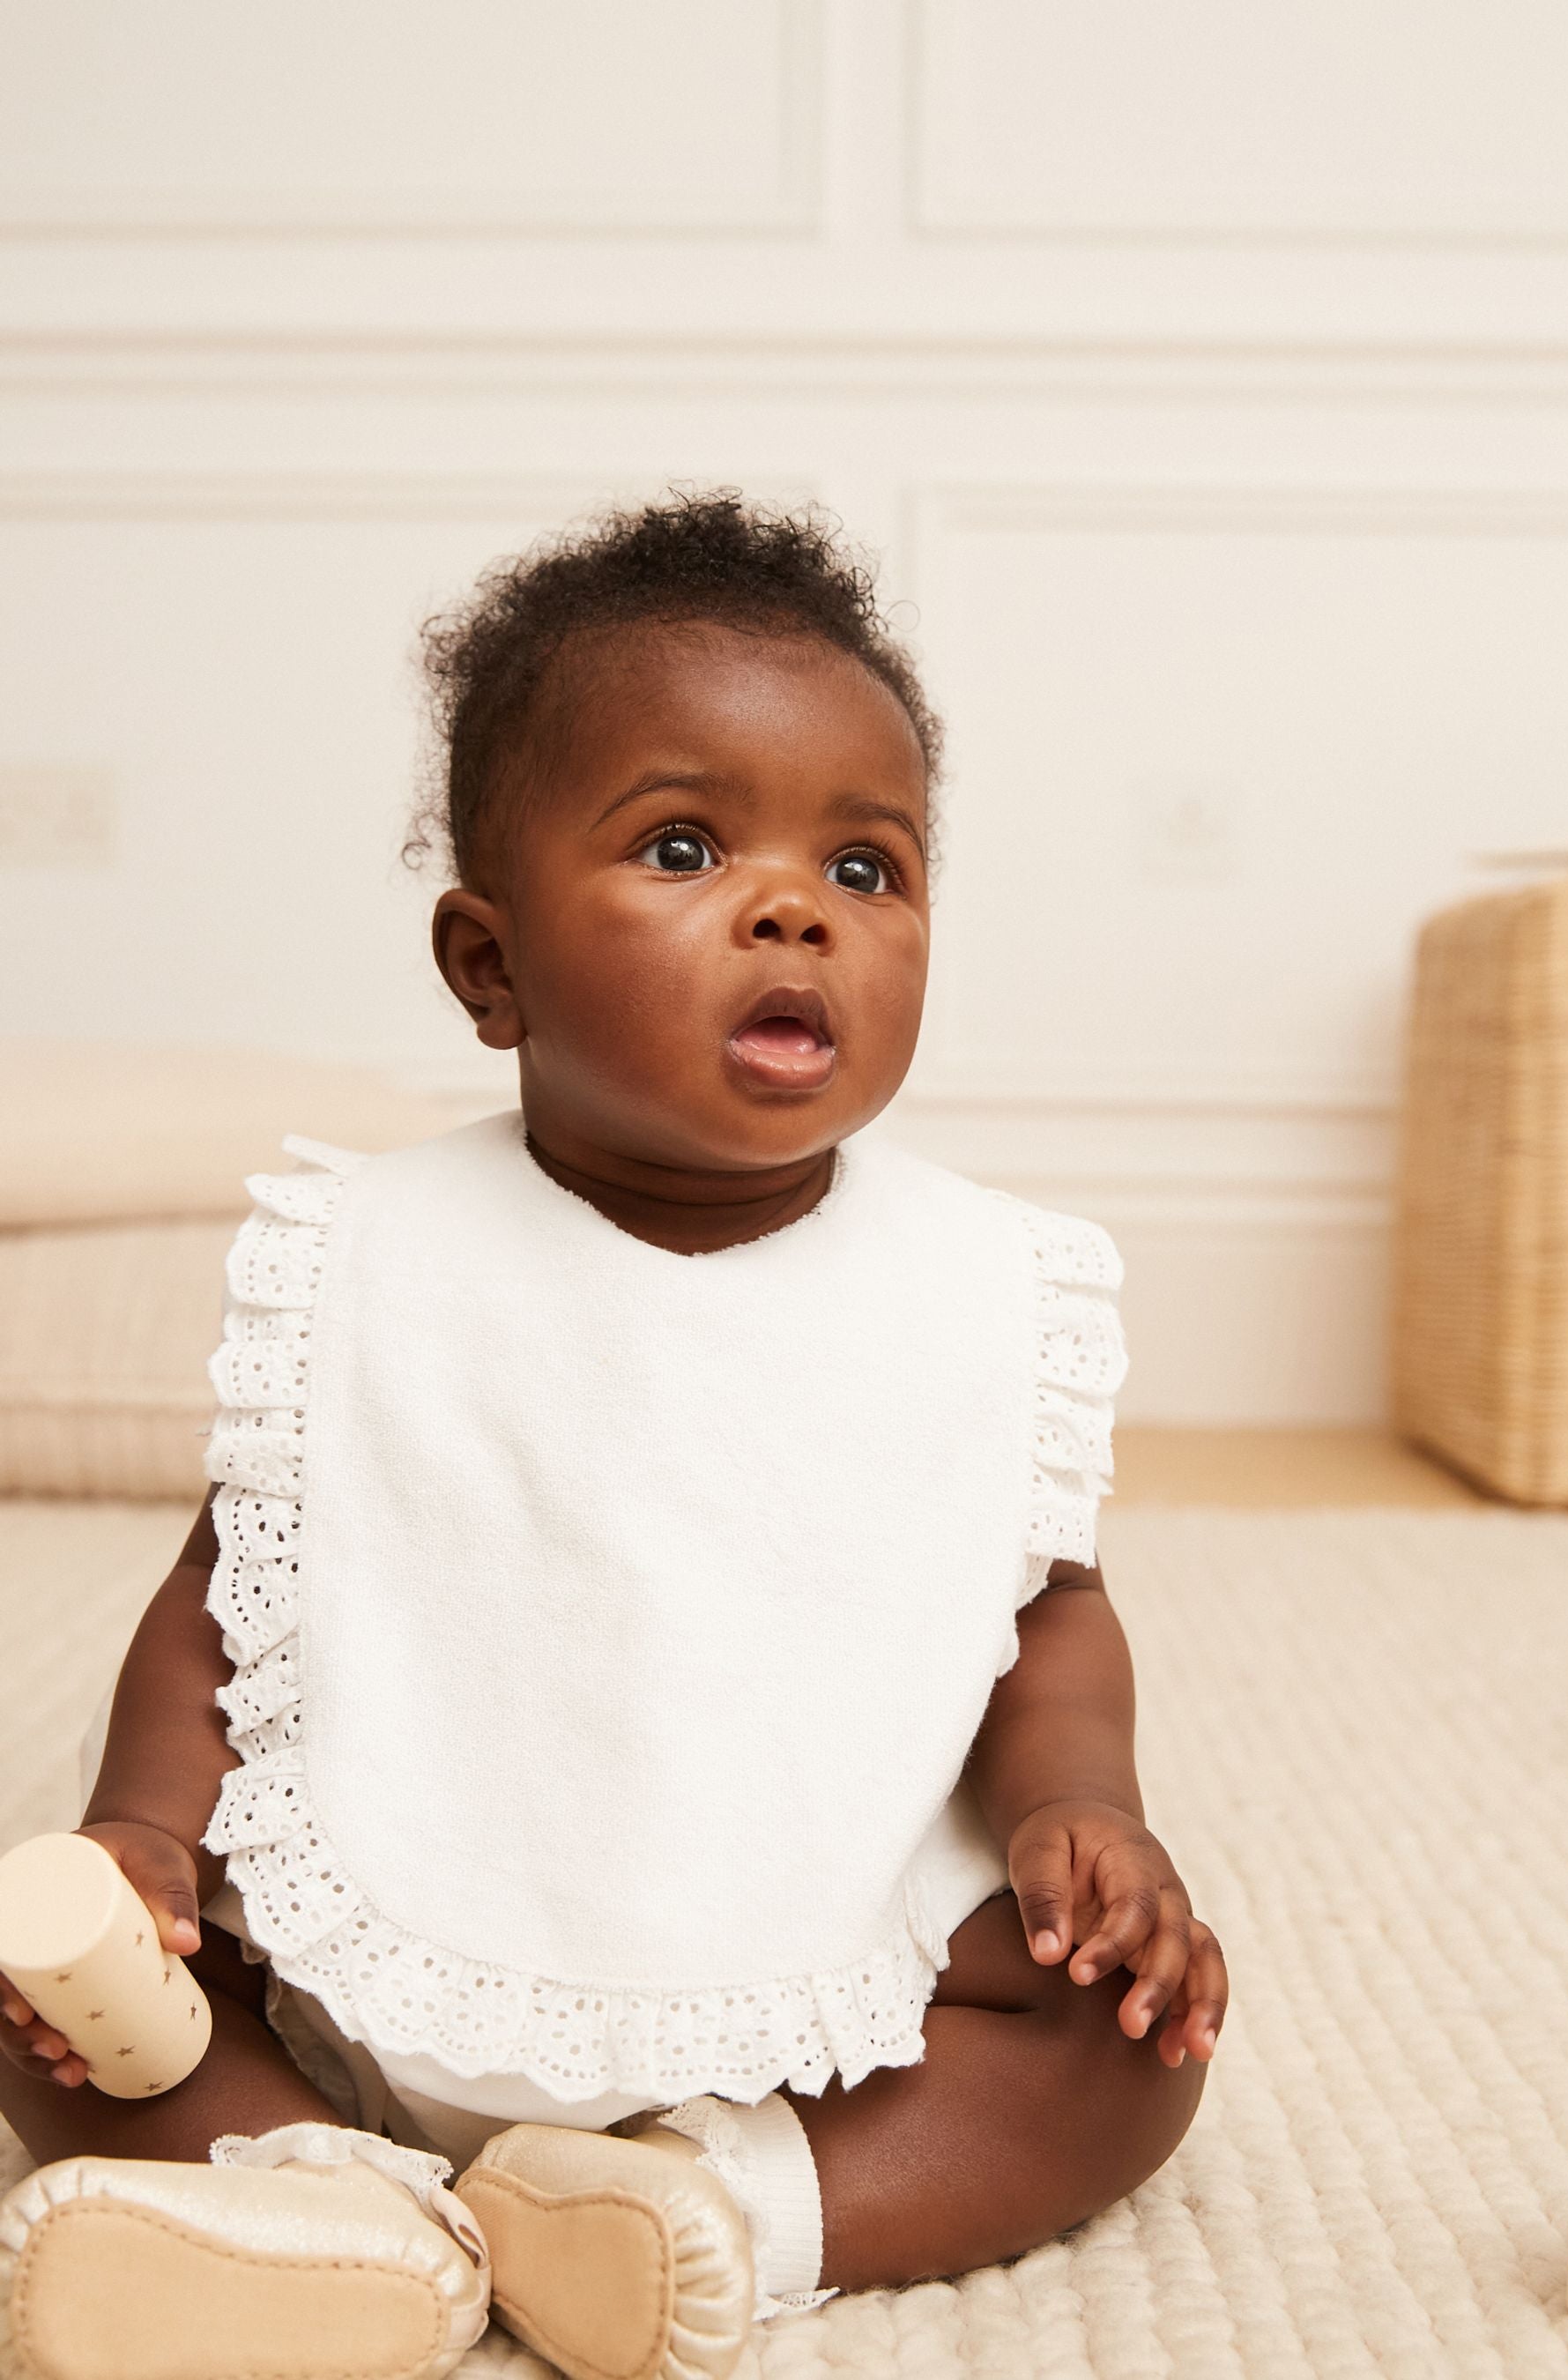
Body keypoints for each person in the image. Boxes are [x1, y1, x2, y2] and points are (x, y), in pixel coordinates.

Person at [0, 494, 1227, 2380]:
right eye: (682, 844)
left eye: (871, 869)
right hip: (369, 1949)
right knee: (50, 2006)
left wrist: (1088, 1806)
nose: (797, 903)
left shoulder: (981, 1288)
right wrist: (146, 1836)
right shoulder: (377, 1257)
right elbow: (229, 1594)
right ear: (488, 969)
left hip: (812, 1967)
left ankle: (712, 2209)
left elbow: (1044, 1603)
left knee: (1130, 2046)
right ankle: (316, 2194)